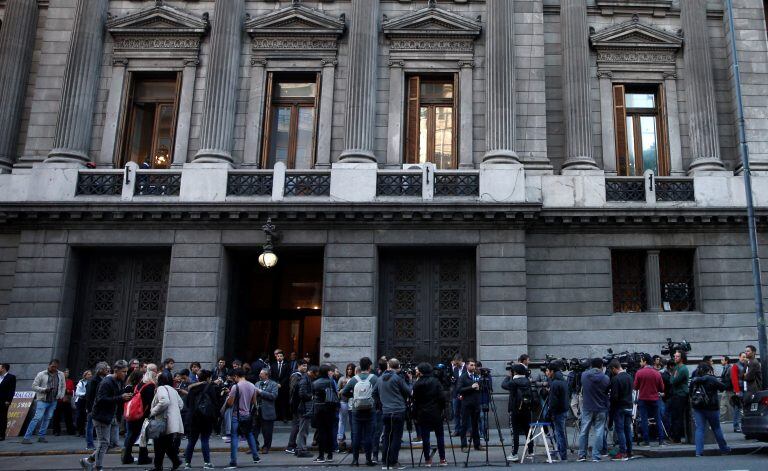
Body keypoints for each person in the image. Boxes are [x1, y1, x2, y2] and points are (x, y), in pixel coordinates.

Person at [80, 360, 132, 471]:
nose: (125, 374)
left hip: (111, 416)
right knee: (104, 443)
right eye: (123, 371)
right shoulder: (106, 382)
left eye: (126, 371)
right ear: (116, 370)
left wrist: (126, 395)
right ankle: (97, 467)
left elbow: (117, 396)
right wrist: (120, 397)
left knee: (112, 443)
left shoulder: (119, 381)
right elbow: (101, 399)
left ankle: (88, 461)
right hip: (101, 416)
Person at [373, 358, 412, 470]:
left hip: (385, 411)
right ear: (398, 367)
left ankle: (385, 462)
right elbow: (408, 392)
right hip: (398, 411)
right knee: (396, 437)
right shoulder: (398, 378)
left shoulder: (380, 379)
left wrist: (380, 403)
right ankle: (393, 461)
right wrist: (409, 381)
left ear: (389, 366)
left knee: (386, 437)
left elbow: (374, 393)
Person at [341, 357, 378, 466]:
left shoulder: (354, 379)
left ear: (360, 366)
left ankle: (355, 459)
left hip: (356, 410)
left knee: (356, 435)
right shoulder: (374, 378)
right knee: (368, 435)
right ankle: (368, 459)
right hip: (370, 410)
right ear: (369, 366)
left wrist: (354, 396)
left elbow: (344, 393)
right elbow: (378, 392)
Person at [689, 363, 731, 457]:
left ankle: (698, 452)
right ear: (708, 370)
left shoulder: (694, 380)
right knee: (716, 428)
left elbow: (690, 392)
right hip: (712, 407)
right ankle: (724, 449)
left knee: (699, 429)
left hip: (698, 407)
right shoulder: (711, 378)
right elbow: (723, 387)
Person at [147, 373, 185, 471]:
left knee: (159, 444)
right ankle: (175, 461)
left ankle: (159, 466)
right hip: (170, 422)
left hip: (162, 421)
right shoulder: (173, 390)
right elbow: (180, 404)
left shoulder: (161, 388)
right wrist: (173, 414)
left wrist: (154, 411)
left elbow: (165, 401)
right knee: (166, 444)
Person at [23, 359, 66, 444]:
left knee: (47, 418)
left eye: (56, 367)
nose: (54, 368)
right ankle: (26, 437)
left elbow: (63, 386)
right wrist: (44, 390)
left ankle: (41, 436)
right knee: (37, 418)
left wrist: (61, 395)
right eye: (52, 366)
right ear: (49, 365)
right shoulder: (41, 374)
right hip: (43, 400)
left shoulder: (61, 374)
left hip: (53, 400)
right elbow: (34, 386)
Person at [412, 363, 447, 467]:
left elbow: (415, 399)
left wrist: (416, 413)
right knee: (440, 436)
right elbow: (442, 397)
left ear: (422, 371)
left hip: (423, 413)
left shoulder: (417, 384)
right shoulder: (435, 382)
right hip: (435, 412)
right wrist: (441, 409)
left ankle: (427, 460)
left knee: (425, 437)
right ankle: (442, 459)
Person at [225, 368, 261, 469]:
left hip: (237, 415)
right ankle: (256, 457)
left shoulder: (235, 387)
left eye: (234, 377)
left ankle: (233, 461)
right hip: (247, 414)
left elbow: (230, 403)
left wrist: (228, 398)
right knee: (249, 435)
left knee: (234, 437)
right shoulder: (252, 385)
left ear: (236, 376)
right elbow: (254, 401)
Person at [122, 364, 157, 466]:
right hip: (142, 415)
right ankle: (143, 457)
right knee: (143, 436)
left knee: (132, 435)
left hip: (134, 413)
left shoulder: (140, 384)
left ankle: (126, 457)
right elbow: (151, 403)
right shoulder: (150, 386)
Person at [184, 369, 218, 470]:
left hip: (193, 417)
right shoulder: (210, 387)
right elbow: (215, 403)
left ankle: (187, 463)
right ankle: (207, 463)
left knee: (191, 441)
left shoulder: (192, 388)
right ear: (208, 378)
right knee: (204, 440)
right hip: (206, 417)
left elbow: (188, 403)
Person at [577, 358, 610, 463]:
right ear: (601, 366)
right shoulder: (605, 378)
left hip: (587, 407)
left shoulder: (584, 375)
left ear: (591, 365)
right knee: (599, 431)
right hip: (601, 408)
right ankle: (596, 456)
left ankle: (582, 455)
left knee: (583, 431)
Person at [502, 363, 533, 462]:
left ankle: (514, 453)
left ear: (514, 372)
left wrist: (508, 376)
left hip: (515, 410)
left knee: (515, 432)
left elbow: (503, 385)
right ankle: (531, 451)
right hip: (526, 409)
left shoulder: (513, 382)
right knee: (528, 430)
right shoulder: (527, 381)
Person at [633, 354, 665, 446]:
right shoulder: (657, 373)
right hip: (655, 398)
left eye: (641, 361)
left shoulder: (639, 373)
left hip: (643, 398)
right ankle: (661, 440)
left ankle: (646, 441)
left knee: (644, 419)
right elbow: (662, 388)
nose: (640, 362)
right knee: (658, 418)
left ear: (645, 362)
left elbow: (635, 387)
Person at [312, 365, 339, 463]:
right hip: (330, 408)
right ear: (327, 372)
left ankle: (321, 455)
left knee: (321, 432)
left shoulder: (315, 383)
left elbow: (313, 395)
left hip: (319, 409)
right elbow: (336, 393)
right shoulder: (331, 382)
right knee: (330, 431)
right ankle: (330, 455)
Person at [608, 360, 633, 461]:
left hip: (619, 407)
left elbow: (614, 397)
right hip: (629, 406)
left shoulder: (615, 379)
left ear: (614, 368)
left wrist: (611, 411)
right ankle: (629, 451)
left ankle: (623, 452)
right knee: (628, 430)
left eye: (611, 370)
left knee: (620, 430)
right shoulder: (629, 377)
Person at [544, 362, 568, 462]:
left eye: (547, 371)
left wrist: (550, 413)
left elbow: (553, 401)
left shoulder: (554, 383)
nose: (546, 373)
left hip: (558, 411)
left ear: (552, 372)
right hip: (563, 409)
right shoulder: (562, 380)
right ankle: (562, 454)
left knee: (559, 433)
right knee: (560, 433)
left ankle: (562, 455)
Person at [457, 359, 482, 454]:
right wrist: (471, 387)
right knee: (464, 425)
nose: (473, 367)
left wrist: (480, 387)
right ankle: (464, 445)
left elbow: (481, 387)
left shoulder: (476, 376)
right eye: (471, 365)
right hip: (466, 404)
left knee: (475, 425)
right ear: (467, 366)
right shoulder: (463, 377)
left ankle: (477, 444)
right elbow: (459, 389)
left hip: (476, 403)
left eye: (474, 365)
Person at [85, 363, 110, 450]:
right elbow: (89, 395)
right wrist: (90, 408)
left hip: (99, 407)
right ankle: (89, 444)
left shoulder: (104, 379)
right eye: (105, 369)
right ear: (100, 370)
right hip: (93, 407)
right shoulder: (93, 380)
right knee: (90, 426)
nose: (107, 370)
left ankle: (102, 445)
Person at [294, 363, 317, 458]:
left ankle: (299, 448)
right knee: (303, 430)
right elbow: (302, 393)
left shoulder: (306, 378)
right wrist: (311, 396)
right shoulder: (305, 379)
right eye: (315, 374)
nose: (315, 376)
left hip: (303, 407)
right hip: (304, 408)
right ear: (311, 372)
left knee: (303, 429)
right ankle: (301, 449)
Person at [254, 368, 278, 454]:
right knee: (254, 430)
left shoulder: (273, 384)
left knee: (267, 431)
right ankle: (254, 446)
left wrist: (261, 392)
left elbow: (273, 396)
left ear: (266, 375)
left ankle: (266, 447)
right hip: (256, 410)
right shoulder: (257, 383)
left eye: (261, 373)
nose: (259, 375)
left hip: (267, 411)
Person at [668, 351, 690, 443]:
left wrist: (673, 376)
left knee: (678, 417)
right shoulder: (677, 367)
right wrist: (673, 376)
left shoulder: (683, 369)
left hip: (681, 395)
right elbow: (671, 379)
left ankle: (677, 438)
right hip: (676, 394)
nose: (675, 358)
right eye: (675, 356)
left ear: (682, 358)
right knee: (675, 416)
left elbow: (673, 381)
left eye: (677, 356)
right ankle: (675, 436)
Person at [337, 363, 355, 451]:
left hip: (353, 403)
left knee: (353, 422)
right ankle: (340, 439)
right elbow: (337, 390)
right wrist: (342, 390)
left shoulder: (355, 379)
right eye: (348, 369)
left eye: (351, 369)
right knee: (342, 421)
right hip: (343, 401)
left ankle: (353, 439)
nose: (349, 371)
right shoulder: (342, 379)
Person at [52, 367, 76, 436]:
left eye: (67, 372)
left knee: (68, 416)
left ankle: (70, 430)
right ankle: (56, 431)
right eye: (65, 372)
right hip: (59, 400)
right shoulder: (58, 380)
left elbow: (73, 391)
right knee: (57, 416)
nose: (66, 374)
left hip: (67, 400)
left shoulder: (70, 381)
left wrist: (68, 391)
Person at [270, 349, 291, 422]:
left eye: (281, 356)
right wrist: (276, 384)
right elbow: (271, 376)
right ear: (276, 357)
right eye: (278, 356)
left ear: (283, 357)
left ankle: (284, 417)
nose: (279, 357)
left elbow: (288, 376)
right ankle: (276, 416)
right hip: (275, 386)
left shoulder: (287, 365)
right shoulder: (273, 365)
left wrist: (281, 384)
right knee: (276, 402)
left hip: (284, 387)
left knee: (284, 402)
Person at [0, 363, 17, 441]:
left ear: (3, 368)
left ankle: (1, 435)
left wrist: (8, 400)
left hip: (3, 401)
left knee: (2, 418)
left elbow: (11, 390)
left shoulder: (11, 377)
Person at [450, 354, 465, 435]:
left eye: (457, 363)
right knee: (456, 412)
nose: (455, 365)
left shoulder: (467, 368)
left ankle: (465, 430)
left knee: (464, 413)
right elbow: (453, 381)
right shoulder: (455, 369)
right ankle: (457, 430)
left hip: (464, 394)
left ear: (461, 361)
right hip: (455, 394)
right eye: (454, 364)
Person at [74, 370, 92, 438]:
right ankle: (78, 431)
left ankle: (83, 431)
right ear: (85, 375)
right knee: (79, 416)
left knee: (85, 416)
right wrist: (85, 394)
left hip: (86, 401)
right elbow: (77, 393)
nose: (90, 376)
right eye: (88, 374)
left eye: (90, 374)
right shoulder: (81, 382)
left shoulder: (91, 382)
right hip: (80, 401)